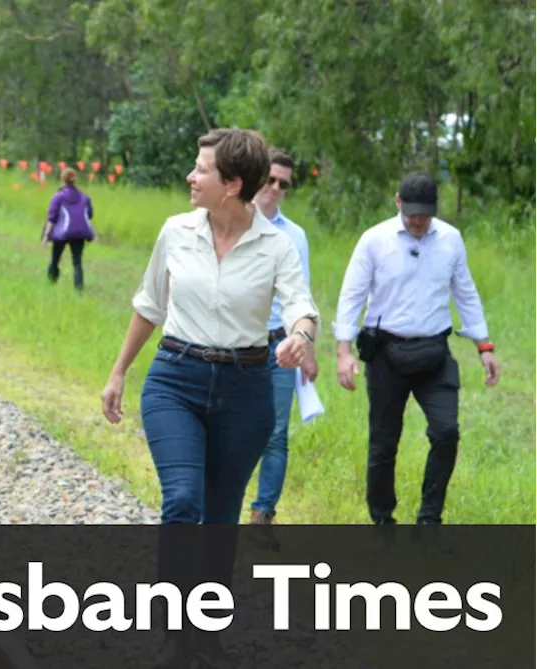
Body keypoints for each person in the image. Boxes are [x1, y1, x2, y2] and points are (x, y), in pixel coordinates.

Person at [100, 128, 318, 667]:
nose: (190, 178)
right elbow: (150, 304)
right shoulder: (176, 232)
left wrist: (301, 337)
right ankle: (173, 631)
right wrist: (119, 372)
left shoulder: (276, 245)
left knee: (221, 517)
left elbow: (300, 305)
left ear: (232, 184)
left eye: (201, 170)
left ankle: (208, 635)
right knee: (182, 502)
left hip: (246, 390)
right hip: (176, 379)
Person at [333, 172, 500, 526]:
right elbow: (352, 294)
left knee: (446, 431)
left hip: (433, 354)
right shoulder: (374, 240)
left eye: (424, 214)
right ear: (398, 203)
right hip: (386, 354)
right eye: (411, 213)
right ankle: (382, 521)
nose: (418, 221)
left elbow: (465, 292)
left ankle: (429, 519)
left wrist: (483, 345)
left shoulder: (451, 240)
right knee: (383, 442)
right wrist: (343, 351)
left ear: (434, 210)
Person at [248, 149, 315, 525]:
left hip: (279, 343)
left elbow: (301, 295)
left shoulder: (295, 236)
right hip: (237, 341)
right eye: (269, 179)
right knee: (232, 425)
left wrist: (306, 346)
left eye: (283, 184)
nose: (274, 189)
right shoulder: (234, 222)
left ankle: (263, 513)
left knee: (275, 432)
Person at [43, 167, 95, 290]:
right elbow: (90, 214)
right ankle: (79, 290)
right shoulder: (85, 198)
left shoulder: (58, 197)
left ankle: (51, 284)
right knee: (77, 262)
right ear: (75, 180)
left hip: (62, 234)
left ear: (62, 180)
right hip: (80, 233)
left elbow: (52, 218)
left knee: (55, 260)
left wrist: (46, 236)